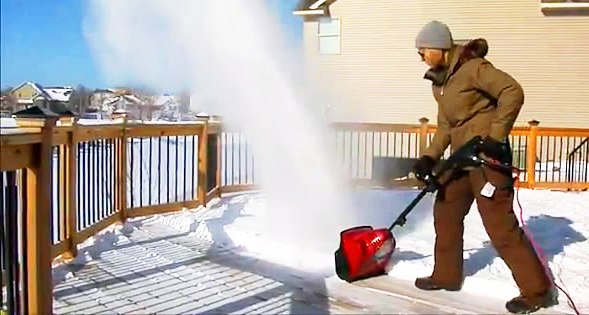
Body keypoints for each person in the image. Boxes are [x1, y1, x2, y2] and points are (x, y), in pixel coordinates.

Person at [411, 20, 558, 314]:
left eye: (423, 50)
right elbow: (444, 127)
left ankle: (537, 291)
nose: (420, 56)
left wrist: (496, 136)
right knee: (446, 210)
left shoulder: (474, 68)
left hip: (486, 157)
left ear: (440, 47)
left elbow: (512, 91)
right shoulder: (442, 81)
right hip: (461, 158)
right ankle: (446, 275)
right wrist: (429, 157)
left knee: (499, 226)